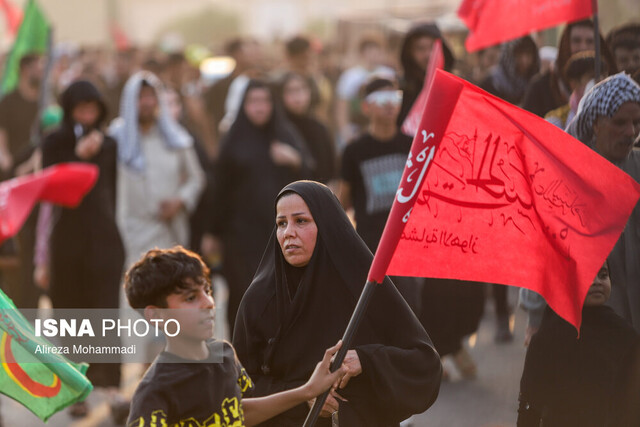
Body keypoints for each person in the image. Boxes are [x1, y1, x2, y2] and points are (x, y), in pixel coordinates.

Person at [233, 181, 442, 427]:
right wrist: (301, 396)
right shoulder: (259, 300)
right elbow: (239, 389)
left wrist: (367, 360)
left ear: (326, 225)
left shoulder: (364, 288)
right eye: (281, 223)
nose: (288, 232)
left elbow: (424, 366)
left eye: (301, 221)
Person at [124, 246, 346, 427]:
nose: (208, 303)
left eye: (207, 291)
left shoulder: (225, 354)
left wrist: (308, 391)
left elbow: (239, 412)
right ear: (156, 315)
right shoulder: (154, 393)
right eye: (191, 298)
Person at [39, 80, 126, 419]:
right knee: (71, 315)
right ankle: (76, 389)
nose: (88, 115)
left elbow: (112, 191)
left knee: (105, 314)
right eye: (81, 108)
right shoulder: (54, 142)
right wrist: (79, 157)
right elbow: (52, 188)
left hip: (103, 239)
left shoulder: (110, 143)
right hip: (68, 242)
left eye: (93, 108)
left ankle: (112, 388)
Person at [202, 80, 310, 334]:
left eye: (265, 101)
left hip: (279, 233)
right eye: (253, 101)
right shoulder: (233, 139)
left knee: (280, 293)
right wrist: (212, 232)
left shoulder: (285, 134)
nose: (260, 107)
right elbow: (219, 190)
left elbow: (311, 178)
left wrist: (294, 159)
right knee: (243, 293)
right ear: (243, 105)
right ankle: (242, 351)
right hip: (239, 236)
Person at [110, 71, 205, 291]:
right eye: (140, 97)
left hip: (169, 231)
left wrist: (180, 201)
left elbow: (197, 179)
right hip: (131, 233)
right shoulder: (117, 138)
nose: (146, 103)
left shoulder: (175, 137)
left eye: (150, 96)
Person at [517, 263, 640, 426]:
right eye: (587, 275)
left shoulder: (625, 336)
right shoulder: (548, 338)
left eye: (603, 275)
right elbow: (530, 403)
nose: (597, 281)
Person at [566, 72, 640, 333]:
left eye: (636, 122)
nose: (631, 132)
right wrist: (534, 319)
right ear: (596, 124)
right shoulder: (570, 175)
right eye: (620, 122)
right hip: (593, 325)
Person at [0, 53, 44, 308]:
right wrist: (8, 163)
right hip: (13, 182)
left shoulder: (45, 101)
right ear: (25, 69)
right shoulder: (9, 101)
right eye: (37, 66)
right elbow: (2, 140)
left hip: (37, 183)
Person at [523, 19, 616, 117]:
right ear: (566, 43)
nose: (583, 47)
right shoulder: (540, 88)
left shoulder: (611, 85)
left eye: (589, 42)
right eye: (576, 41)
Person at [334, 35, 395, 146]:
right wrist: (345, 132)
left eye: (376, 49)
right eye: (369, 49)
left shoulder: (389, 74)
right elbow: (342, 107)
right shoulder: (350, 76)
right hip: (357, 128)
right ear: (362, 52)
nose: (373, 53)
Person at [278, 72, 337, 185]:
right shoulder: (278, 129)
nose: (297, 96)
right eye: (290, 91)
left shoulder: (320, 129)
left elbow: (330, 172)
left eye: (301, 89)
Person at [397, 23, 455, 127]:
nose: (427, 54)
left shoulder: (455, 86)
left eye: (432, 47)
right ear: (410, 53)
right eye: (420, 48)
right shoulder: (402, 89)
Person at [545, 51, 607, 130]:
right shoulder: (556, 121)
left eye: (604, 76)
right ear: (574, 83)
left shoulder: (614, 116)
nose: (600, 82)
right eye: (592, 77)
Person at [480, 36, 540, 106]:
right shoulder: (492, 84)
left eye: (528, 55)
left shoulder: (536, 86)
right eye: (519, 54)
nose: (524, 61)